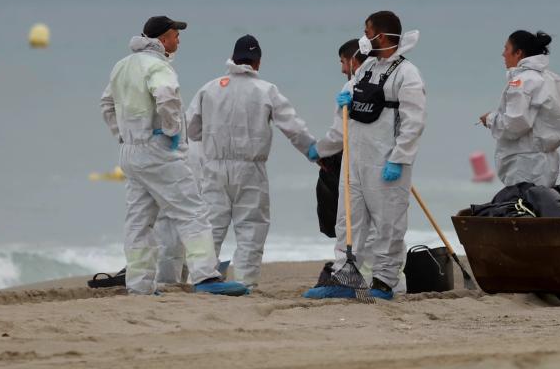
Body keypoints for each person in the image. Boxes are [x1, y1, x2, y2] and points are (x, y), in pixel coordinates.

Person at [99, 16, 247, 296]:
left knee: (138, 220)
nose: (178, 41)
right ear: (164, 39)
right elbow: (166, 96)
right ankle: (205, 275)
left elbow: (106, 104)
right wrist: (170, 130)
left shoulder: (122, 66)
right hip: (157, 150)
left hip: (130, 152)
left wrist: (121, 132)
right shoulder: (158, 66)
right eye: (176, 36)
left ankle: (139, 284)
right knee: (192, 211)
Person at [304, 11, 426, 301]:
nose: (364, 36)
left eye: (367, 31)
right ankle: (344, 275)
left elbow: (414, 121)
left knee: (388, 223)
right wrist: (345, 101)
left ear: (380, 36)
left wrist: (400, 158)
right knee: (348, 219)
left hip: (385, 161)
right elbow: (348, 113)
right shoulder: (367, 67)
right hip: (355, 159)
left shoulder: (406, 73)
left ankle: (384, 281)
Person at [185, 35, 317, 290]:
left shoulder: (210, 88)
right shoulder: (266, 90)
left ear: (233, 59)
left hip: (213, 165)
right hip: (250, 166)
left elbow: (191, 128)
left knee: (210, 223)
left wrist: (213, 137)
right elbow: (292, 126)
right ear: (257, 63)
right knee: (251, 226)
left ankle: (201, 277)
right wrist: (313, 151)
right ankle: (245, 281)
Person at [479, 30, 560, 188]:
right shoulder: (554, 80)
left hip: (523, 163)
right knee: (541, 205)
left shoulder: (522, 81)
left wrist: (490, 119)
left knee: (521, 207)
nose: (503, 54)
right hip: (548, 161)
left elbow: (515, 123)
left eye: (506, 49)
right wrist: (548, 132)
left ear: (518, 53)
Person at [314, 39, 365, 238]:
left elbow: (339, 133)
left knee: (349, 220)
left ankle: (351, 264)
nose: (343, 69)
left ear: (353, 60)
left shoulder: (351, 87)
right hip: (377, 158)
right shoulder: (381, 80)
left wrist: (317, 151)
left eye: (343, 62)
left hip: (354, 163)